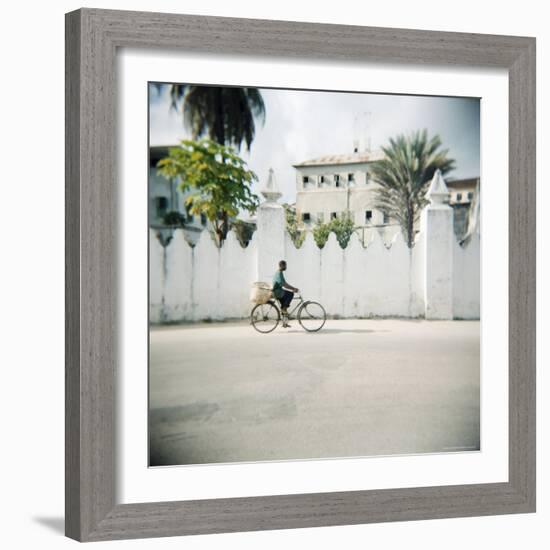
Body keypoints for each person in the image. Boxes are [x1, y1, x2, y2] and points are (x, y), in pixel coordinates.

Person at [272, 260, 299, 328]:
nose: (286, 267)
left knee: (284, 305)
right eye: (285, 265)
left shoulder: (279, 272)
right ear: (282, 266)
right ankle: (284, 309)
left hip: (278, 291)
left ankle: (285, 323)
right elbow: (284, 284)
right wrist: (293, 288)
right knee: (290, 294)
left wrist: (292, 288)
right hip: (277, 292)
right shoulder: (279, 273)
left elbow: (284, 283)